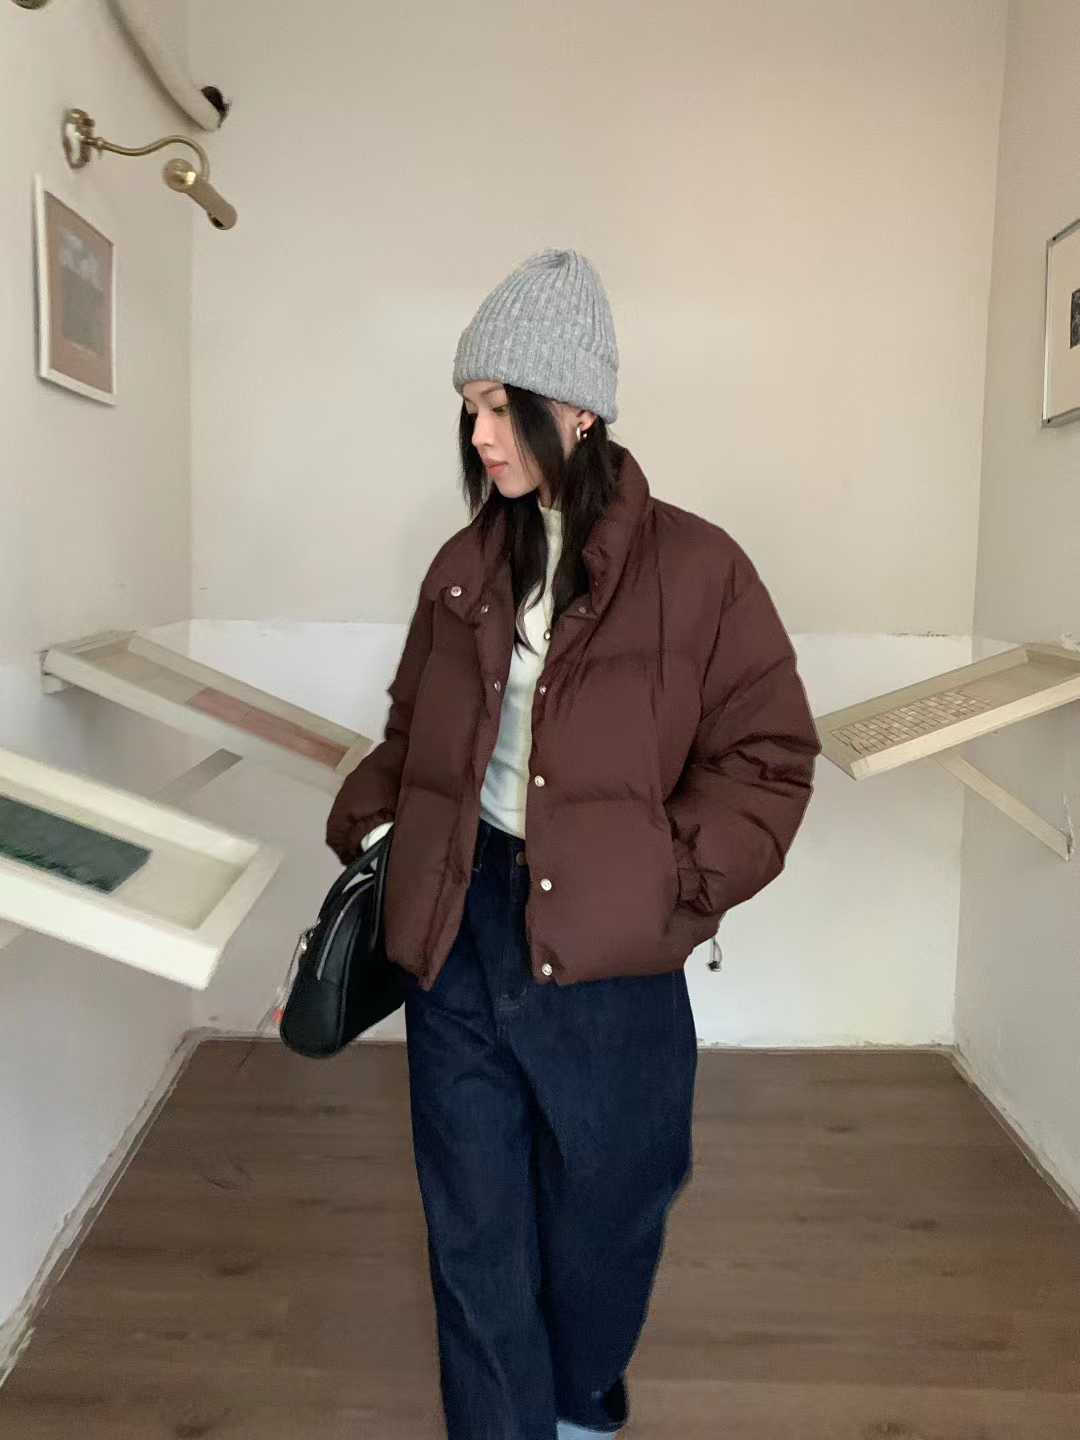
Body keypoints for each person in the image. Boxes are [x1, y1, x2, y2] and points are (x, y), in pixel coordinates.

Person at [326, 247, 820, 1440]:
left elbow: (768, 757)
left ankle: (583, 1386)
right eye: (470, 407)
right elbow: (411, 731)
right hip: (457, 922)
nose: (479, 435)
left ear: (579, 408)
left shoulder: (701, 570)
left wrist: (670, 885)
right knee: (473, 1224)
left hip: (609, 944)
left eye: (501, 406)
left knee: (616, 1196)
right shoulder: (463, 569)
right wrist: (375, 827)